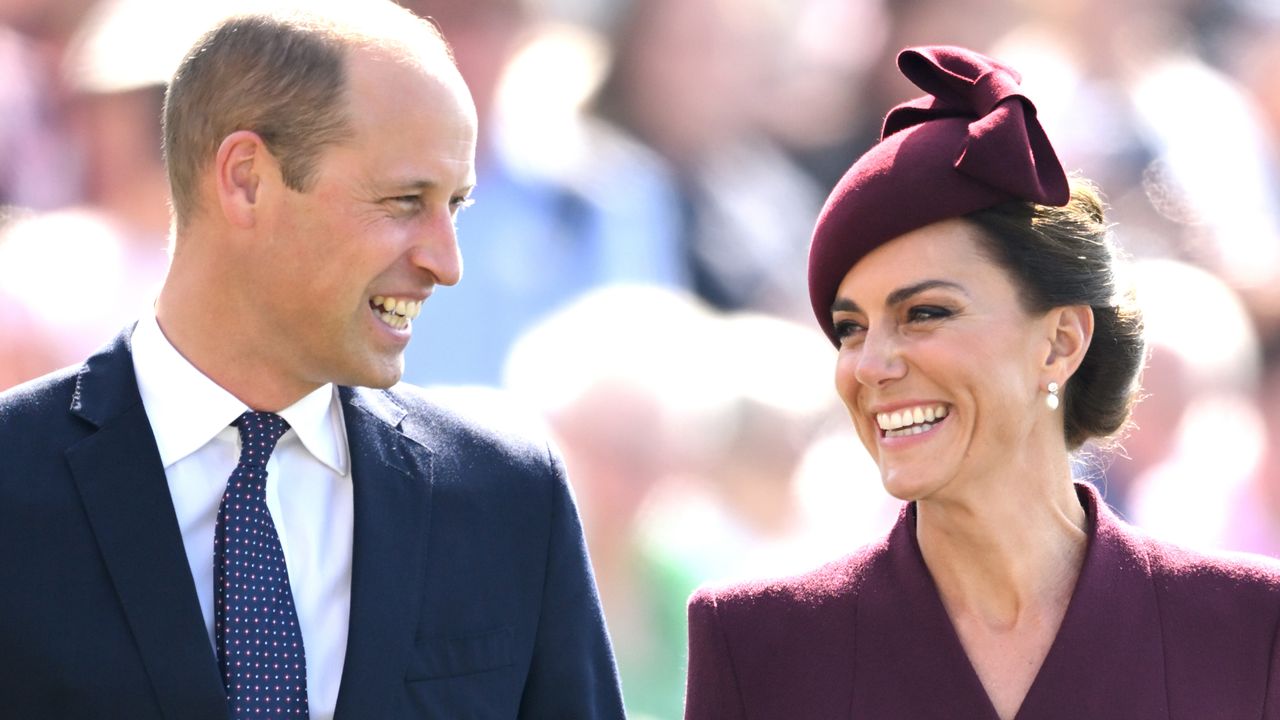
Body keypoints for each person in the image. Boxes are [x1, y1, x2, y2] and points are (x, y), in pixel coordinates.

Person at [0, 4, 624, 718]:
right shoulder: (12, 481)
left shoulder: (504, 495)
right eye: (403, 201)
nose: (445, 262)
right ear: (246, 179)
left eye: (455, 205)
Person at [683, 45, 1280, 720]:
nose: (871, 365)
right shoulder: (758, 645)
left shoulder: (1248, 630)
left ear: (1060, 342)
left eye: (925, 314)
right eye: (850, 328)